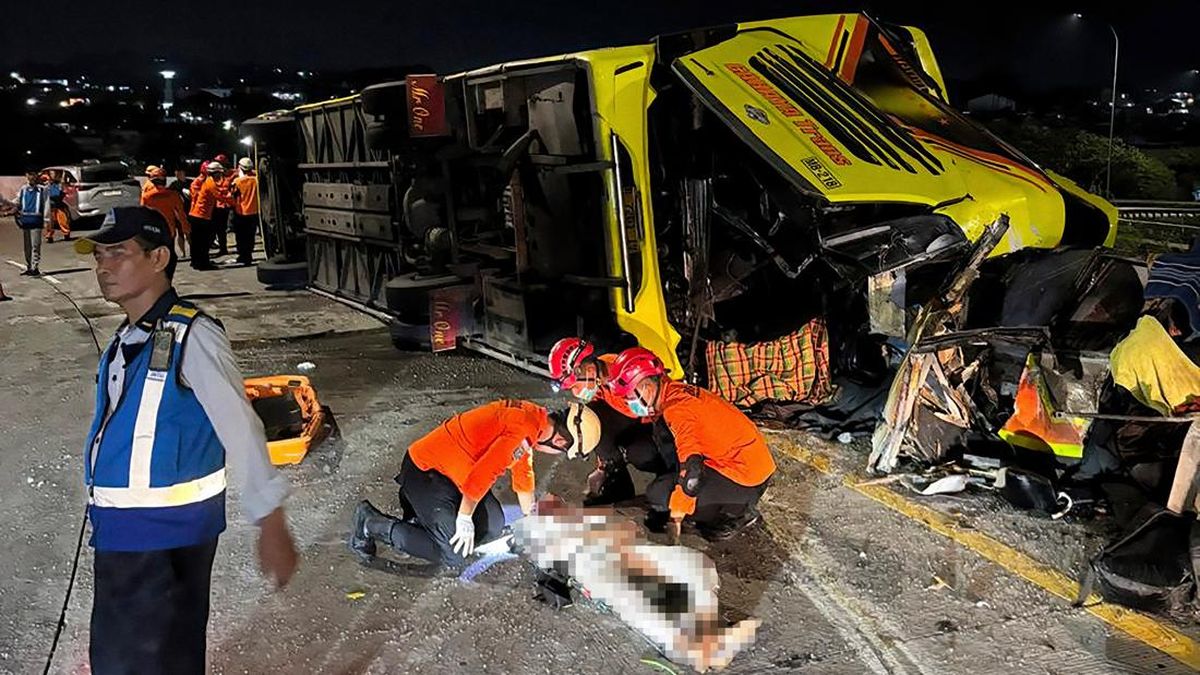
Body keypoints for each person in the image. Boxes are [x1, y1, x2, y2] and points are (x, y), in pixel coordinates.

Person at [78, 206, 298, 673]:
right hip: (127, 534)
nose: (103, 267)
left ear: (158, 258)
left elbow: (240, 426)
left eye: (118, 253)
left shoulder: (193, 335)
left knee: (139, 663)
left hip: (161, 539)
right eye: (98, 255)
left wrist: (271, 520)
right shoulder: (127, 339)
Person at [350, 400, 599, 566]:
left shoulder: (533, 420)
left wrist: (531, 516)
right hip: (426, 471)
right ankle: (370, 523)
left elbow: (523, 475)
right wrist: (464, 518)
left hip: (453, 474)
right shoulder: (522, 430)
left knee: (493, 525)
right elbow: (483, 475)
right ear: (560, 442)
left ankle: (423, 522)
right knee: (453, 554)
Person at [606, 347, 776, 542]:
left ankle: (736, 514)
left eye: (629, 396)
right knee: (646, 450)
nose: (628, 402)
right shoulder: (672, 392)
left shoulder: (677, 410)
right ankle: (687, 491)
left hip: (746, 478)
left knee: (659, 495)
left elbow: (693, 472)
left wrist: (677, 514)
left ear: (646, 386)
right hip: (739, 459)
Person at [548, 337, 663, 506]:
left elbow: (662, 413)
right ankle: (616, 484)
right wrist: (602, 466)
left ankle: (669, 478)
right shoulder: (601, 377)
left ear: (589, 370)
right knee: (590, 419)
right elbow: (596, 416)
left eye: (574, 386)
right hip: (633, 420)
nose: (575, 392)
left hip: (655, 425)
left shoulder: (630, 372)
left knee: (640, 454)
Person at [6, 171, 50, 276]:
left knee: (35, 245)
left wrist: (46, 220)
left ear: (36, 176)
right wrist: (7, 205)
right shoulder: (23, 189)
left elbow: (46, 204)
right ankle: (29, 266)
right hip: (26, 220)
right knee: (27, 246)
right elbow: (17, 201)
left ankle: (35, 267)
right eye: (29, 174)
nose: (31, 177)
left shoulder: (42, 189)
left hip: (36, 220)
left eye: (33, 174)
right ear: (26, 176)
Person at [140, 166, 189, 257]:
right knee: (170, 252)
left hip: (154, 230)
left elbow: (142, 213)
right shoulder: (173, 195)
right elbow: (181, 213)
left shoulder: (147, 196)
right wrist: (185, 227)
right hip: (170, 230)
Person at [188, 161, 222, 270]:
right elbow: (220, 195)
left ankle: (196, 261)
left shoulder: (206, 181)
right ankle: (202, 263)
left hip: (198, 213)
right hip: (201, 214)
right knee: (203, 241)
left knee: (197, 241)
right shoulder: (206, 182)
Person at [230, 157, 259, 266]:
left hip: (240, 212)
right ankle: (249, 255)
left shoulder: (237, 182)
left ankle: (243, 256)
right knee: (250, 236)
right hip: (253, 212)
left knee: (241, 236)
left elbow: (232, 195)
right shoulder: (256, 180)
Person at [211, 154, 234, 257]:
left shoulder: (229, 175)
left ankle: (223, 248)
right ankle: (222, 247)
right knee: (219, 229)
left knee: (220, 229)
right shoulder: (219, 176)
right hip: (218, 205)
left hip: (223, 206)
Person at [44, 170, 71, 243]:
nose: (52, 175)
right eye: (51, 173)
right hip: (50, 205)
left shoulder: (60, 184)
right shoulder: (47, 184)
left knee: (63, 220)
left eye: (53, 173)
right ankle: (49, 236)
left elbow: (61, 193)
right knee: (49, 223)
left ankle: (66, 233)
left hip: (59, 205)